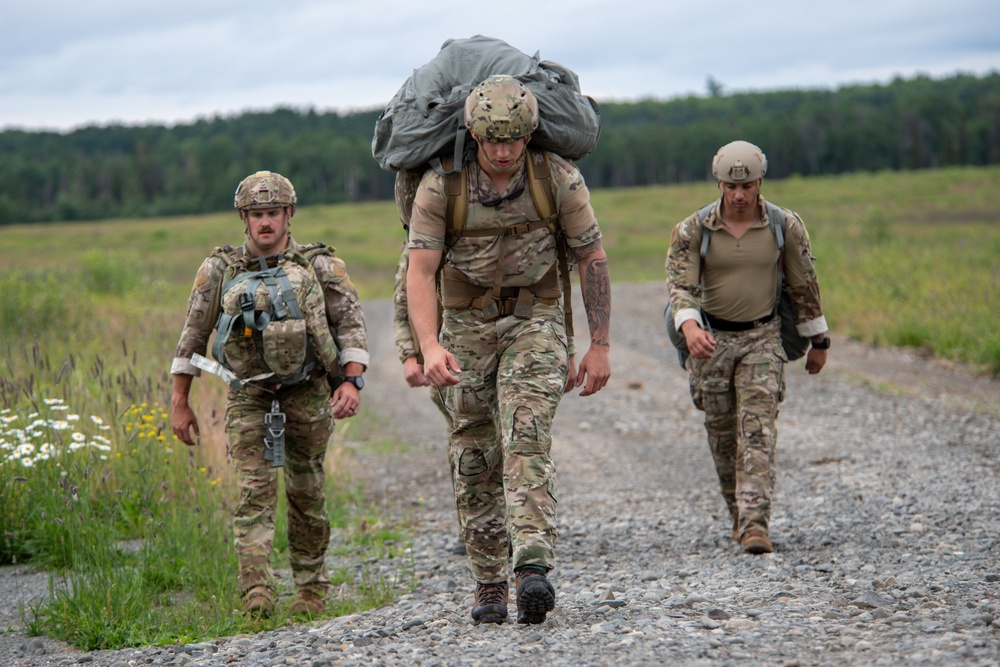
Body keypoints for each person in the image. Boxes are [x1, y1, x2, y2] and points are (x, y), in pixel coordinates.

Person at [406, 75, 612, 625]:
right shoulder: (439, 189)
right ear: (473, 136)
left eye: (514, 140)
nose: (503, 152)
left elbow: (592, 258)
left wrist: (600, 346)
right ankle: (489, 582)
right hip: (466, 327)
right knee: (474, 454)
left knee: (525, 431)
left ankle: (532, 568)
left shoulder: (559, 180)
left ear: (530, 135)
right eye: (492, 140)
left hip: (536, 320)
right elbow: (420, 271)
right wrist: (427, 345)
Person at [170, 171, 369, 617]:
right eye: (257, 214)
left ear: (289, 214)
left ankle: (311, 589)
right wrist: (180, 402)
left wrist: (351, 382)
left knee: (307, 490)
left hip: (308, 391)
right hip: (249, 396)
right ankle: (256, 595)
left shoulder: (320, 266)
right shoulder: (218, 270)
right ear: (243, 217)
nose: (265, 223)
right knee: (253, 492)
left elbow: (350, 324)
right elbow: (192, 337)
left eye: (273, 213)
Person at [665, 140, 830, 555]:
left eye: (748, 186)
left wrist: (819, 341)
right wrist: (689, 326)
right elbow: (680, 287)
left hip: (763, 338)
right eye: (731, 187)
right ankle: (738, 516)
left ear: (760, 182)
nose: (739, 196)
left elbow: (803, 284)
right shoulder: (693, 229)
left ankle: (756, 524)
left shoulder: (784, 225)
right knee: (722, 436)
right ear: (718, 183)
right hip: (711, 341)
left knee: (757, 431)